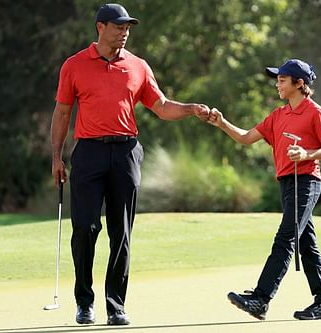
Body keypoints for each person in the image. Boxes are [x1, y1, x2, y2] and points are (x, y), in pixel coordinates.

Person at [50, 3, 210, 326]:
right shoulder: (75, 65)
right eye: (118, 26)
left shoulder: (138, 66)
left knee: (120, 232)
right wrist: (57, 155)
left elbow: (161, 107)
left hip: (126, 153)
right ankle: (85, 302)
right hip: (89, 153)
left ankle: (115, 305)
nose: (124, 32)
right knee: (84, 227)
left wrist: (191, 108)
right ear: (100, 27)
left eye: (127, 28)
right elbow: (63, 112)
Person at [207, 59, 321, 321]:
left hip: (306, 181)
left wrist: (306, 153)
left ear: (299, 84)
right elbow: (246, 138)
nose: (277, 84)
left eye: (282, 80)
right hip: (286, 183)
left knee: (286, 237)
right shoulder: (278, 115)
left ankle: (261, 298)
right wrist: (222, 123)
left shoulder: (315, 113)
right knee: (306, 243)